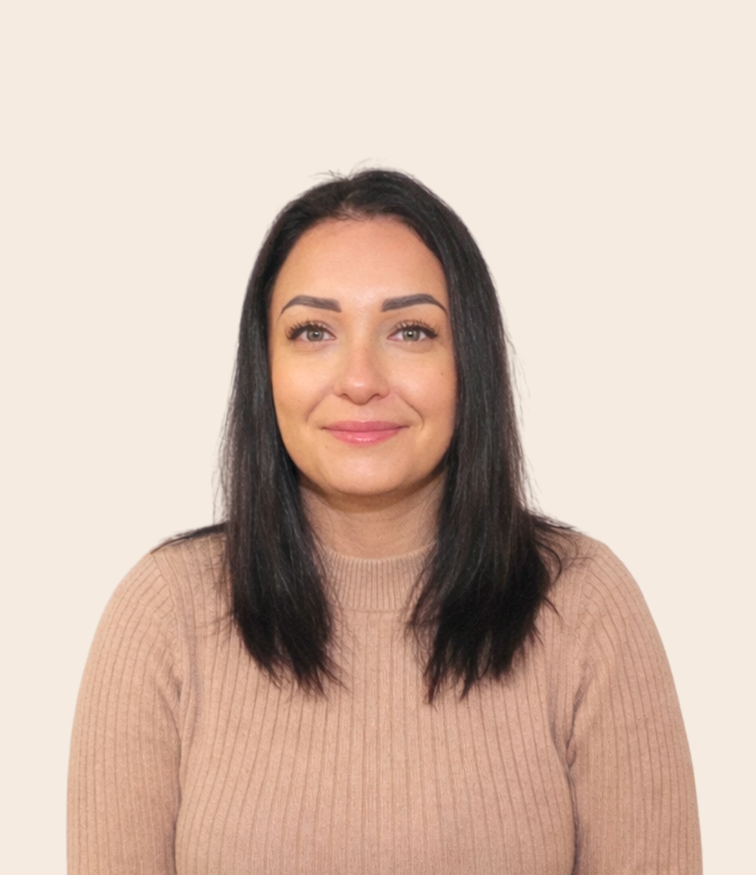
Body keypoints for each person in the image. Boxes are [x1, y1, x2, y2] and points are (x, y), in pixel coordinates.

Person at [68, 169, 702, 874]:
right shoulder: (164, 615)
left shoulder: (584, 605)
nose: (361, 378)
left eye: (410, 330)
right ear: (265, 368)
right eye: (313, 332)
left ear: (470, 364)